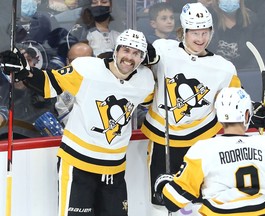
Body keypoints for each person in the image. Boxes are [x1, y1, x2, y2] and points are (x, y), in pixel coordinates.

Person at [1, 29, 155, 216]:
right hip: (78, 164)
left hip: (114, 169)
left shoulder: (145, 80)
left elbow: (155, 100)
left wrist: (158, 60)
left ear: (142, 58)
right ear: (116, 51)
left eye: (136, 53)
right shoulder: (87, 70)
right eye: (126, 50)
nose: (129, 57)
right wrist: (25, 72)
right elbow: (50, 83)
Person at [140, 2, 265, 215]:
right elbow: (139, 75)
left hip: (200, 143)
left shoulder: (223, 67)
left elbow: (235, 99)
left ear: (211, 31)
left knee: (200, 201)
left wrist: (256, 111)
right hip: (162, 140)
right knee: (161, 203)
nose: (200, 38)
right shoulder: (163, 51)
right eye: (194, 32)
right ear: (183, 30)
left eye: (205, 32)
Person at [155, 87, 265, 216]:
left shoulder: (202, 150)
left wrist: (165, 186)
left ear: (218, 115)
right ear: (247, 114)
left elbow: (173, 201)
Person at [0, 51, 58, 140]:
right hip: (10, 146)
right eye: (15, 63)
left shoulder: (50, 91)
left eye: (27, 60)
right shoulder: (2, 94)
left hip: (46, 147)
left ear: (34, 64)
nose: (21, 66)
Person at [207, 0, 258, 70]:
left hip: (244, 73)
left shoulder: (252, 20)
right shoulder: (208, 20)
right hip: (213, 72)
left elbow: (257, 55)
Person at [55, 42, 94, 126]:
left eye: (84, 61)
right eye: (74, 61)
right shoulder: (58, 84)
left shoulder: (106, 81)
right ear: (67, 62)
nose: (79, 65)